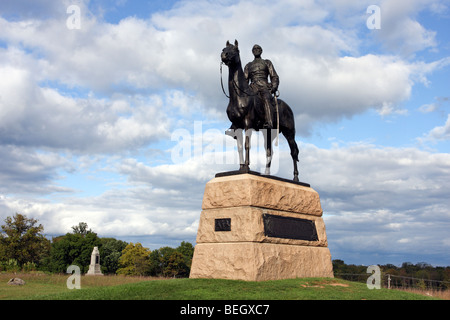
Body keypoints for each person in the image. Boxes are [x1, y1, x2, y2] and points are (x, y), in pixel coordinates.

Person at [244, 44, 279, 129]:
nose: (256, 50)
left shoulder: (267, 62)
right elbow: (245, 80)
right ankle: (237, 123)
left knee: (266, 98)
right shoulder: (248, 65)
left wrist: (274, 86)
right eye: (254, 49)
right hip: (252, 87)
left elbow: (274, 76)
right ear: (252, 52)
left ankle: (269, 122)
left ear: (261, 51)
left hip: (264, 86)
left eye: (258, 49)